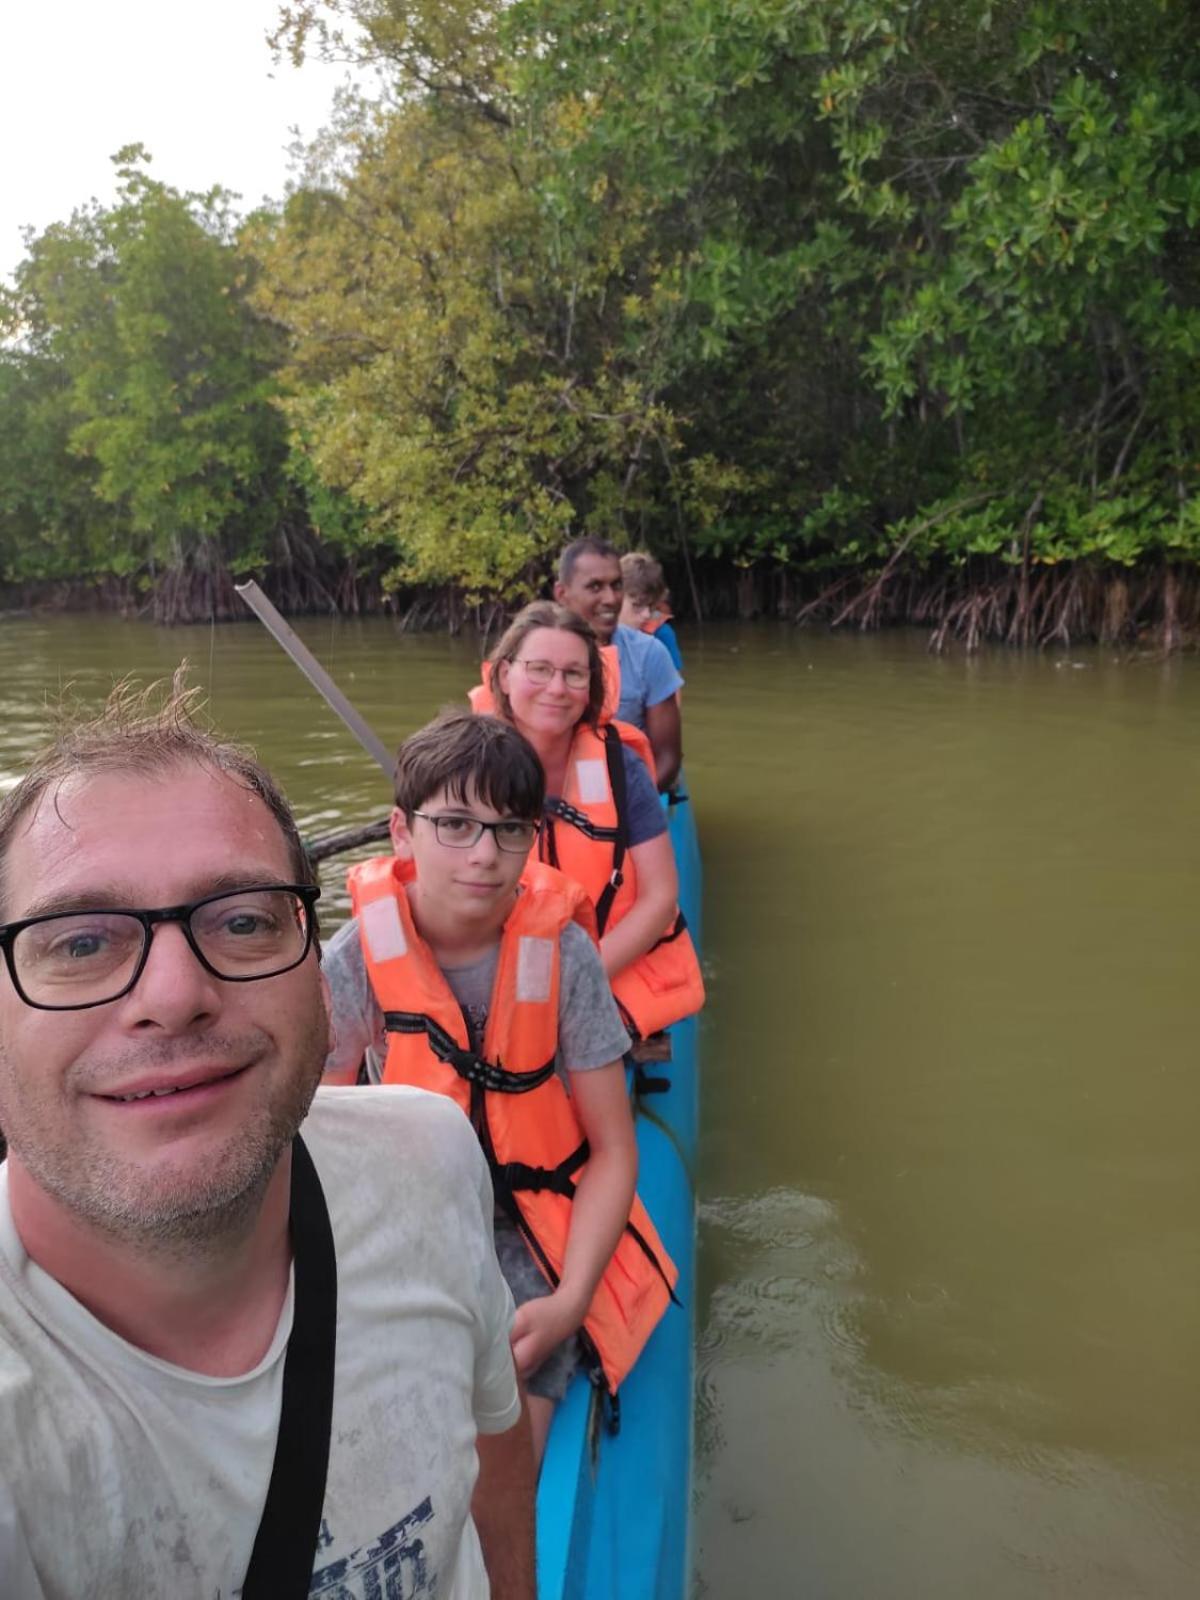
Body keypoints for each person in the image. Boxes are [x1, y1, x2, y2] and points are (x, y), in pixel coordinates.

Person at [0, 680, 535, 1600]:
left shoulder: (428, 1155)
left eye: (243, 920)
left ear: (315, 979)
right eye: (79, 943)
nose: (171, 993)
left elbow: (498, 1457)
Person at [322, 709, 676, 1464]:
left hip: (531, 1223)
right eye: (454, 824)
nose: (484, 854)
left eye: (509, 830)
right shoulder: (355, 960)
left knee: (508, 1431)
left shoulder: (565, 957)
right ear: (399, 831)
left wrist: (569, 1302)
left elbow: (613, 1150)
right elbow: (315, 1140)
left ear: (530, 839)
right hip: (409, 1213)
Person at [484, 603, 704, 1042]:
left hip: (598, 963)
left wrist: (576, 980)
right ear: (506, 675)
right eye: (540, 669)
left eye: (574, 674)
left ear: (591, 687)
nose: (556, 688)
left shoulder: (621, 770)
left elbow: (660, 896)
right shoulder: (463, 763)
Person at [554, 537, 683, 790]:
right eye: (595, 587)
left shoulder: (651, 655)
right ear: (562, 594)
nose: (611, 598)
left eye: (616, 585)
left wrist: (626, 812)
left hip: (627, 794)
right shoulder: (535, 655)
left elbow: (667, 758)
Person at [619, 551, 684, 674]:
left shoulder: (662, 634)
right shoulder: (599, 635)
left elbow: (673, 689)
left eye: (650, 606)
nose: (647, 615)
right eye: (637, 605)